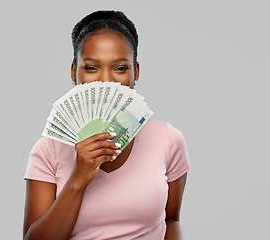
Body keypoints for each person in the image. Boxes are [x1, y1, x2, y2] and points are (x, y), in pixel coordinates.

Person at [23, 10, 190, 240]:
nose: (106, 80)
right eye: (91, 67)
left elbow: (171, 220)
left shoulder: (169, 139)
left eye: (120, 68)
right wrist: (78, 180)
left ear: (136, 72)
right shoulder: (48, 149)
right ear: (74, 72)